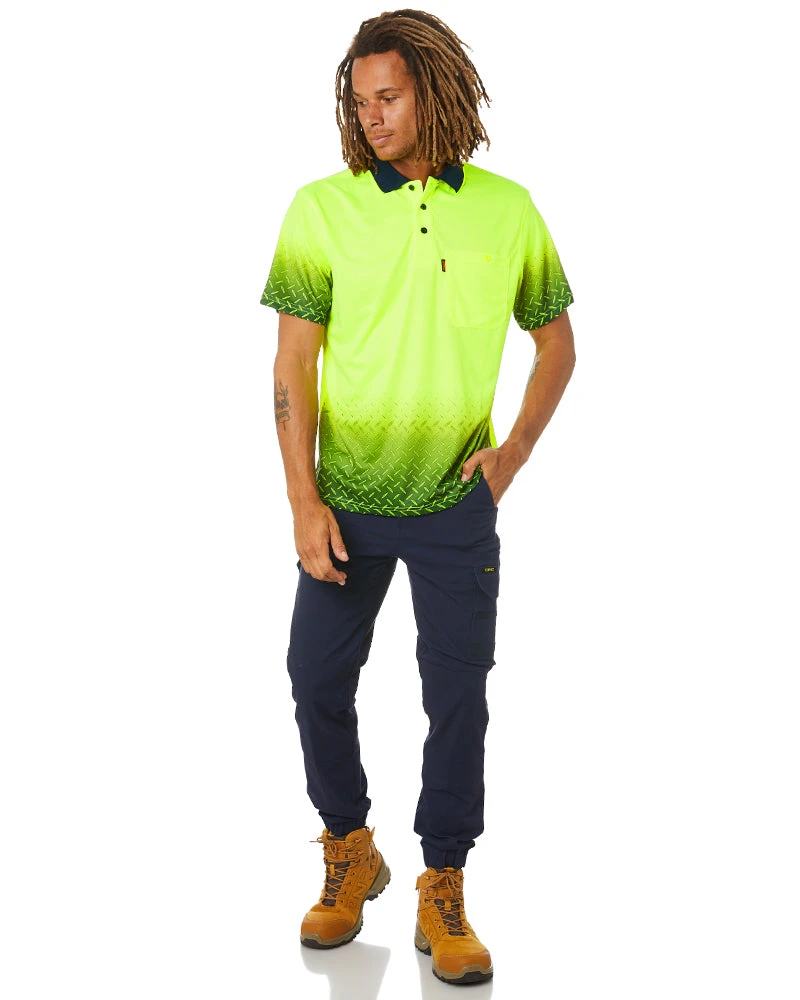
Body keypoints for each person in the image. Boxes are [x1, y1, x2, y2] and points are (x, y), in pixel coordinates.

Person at [260, 8, 575, 986]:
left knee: (456, 700)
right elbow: (291, 364)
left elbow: (555, 342)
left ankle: (443, 884)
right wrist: (301, 500)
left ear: (433, 93)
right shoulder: (320, 210)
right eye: (360, 101)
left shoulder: (508, 210)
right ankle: (348, 849)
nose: (372, 116)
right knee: (315, 678)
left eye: (388, 97)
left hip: (453, 507)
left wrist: (513, 452)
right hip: (345, 501)